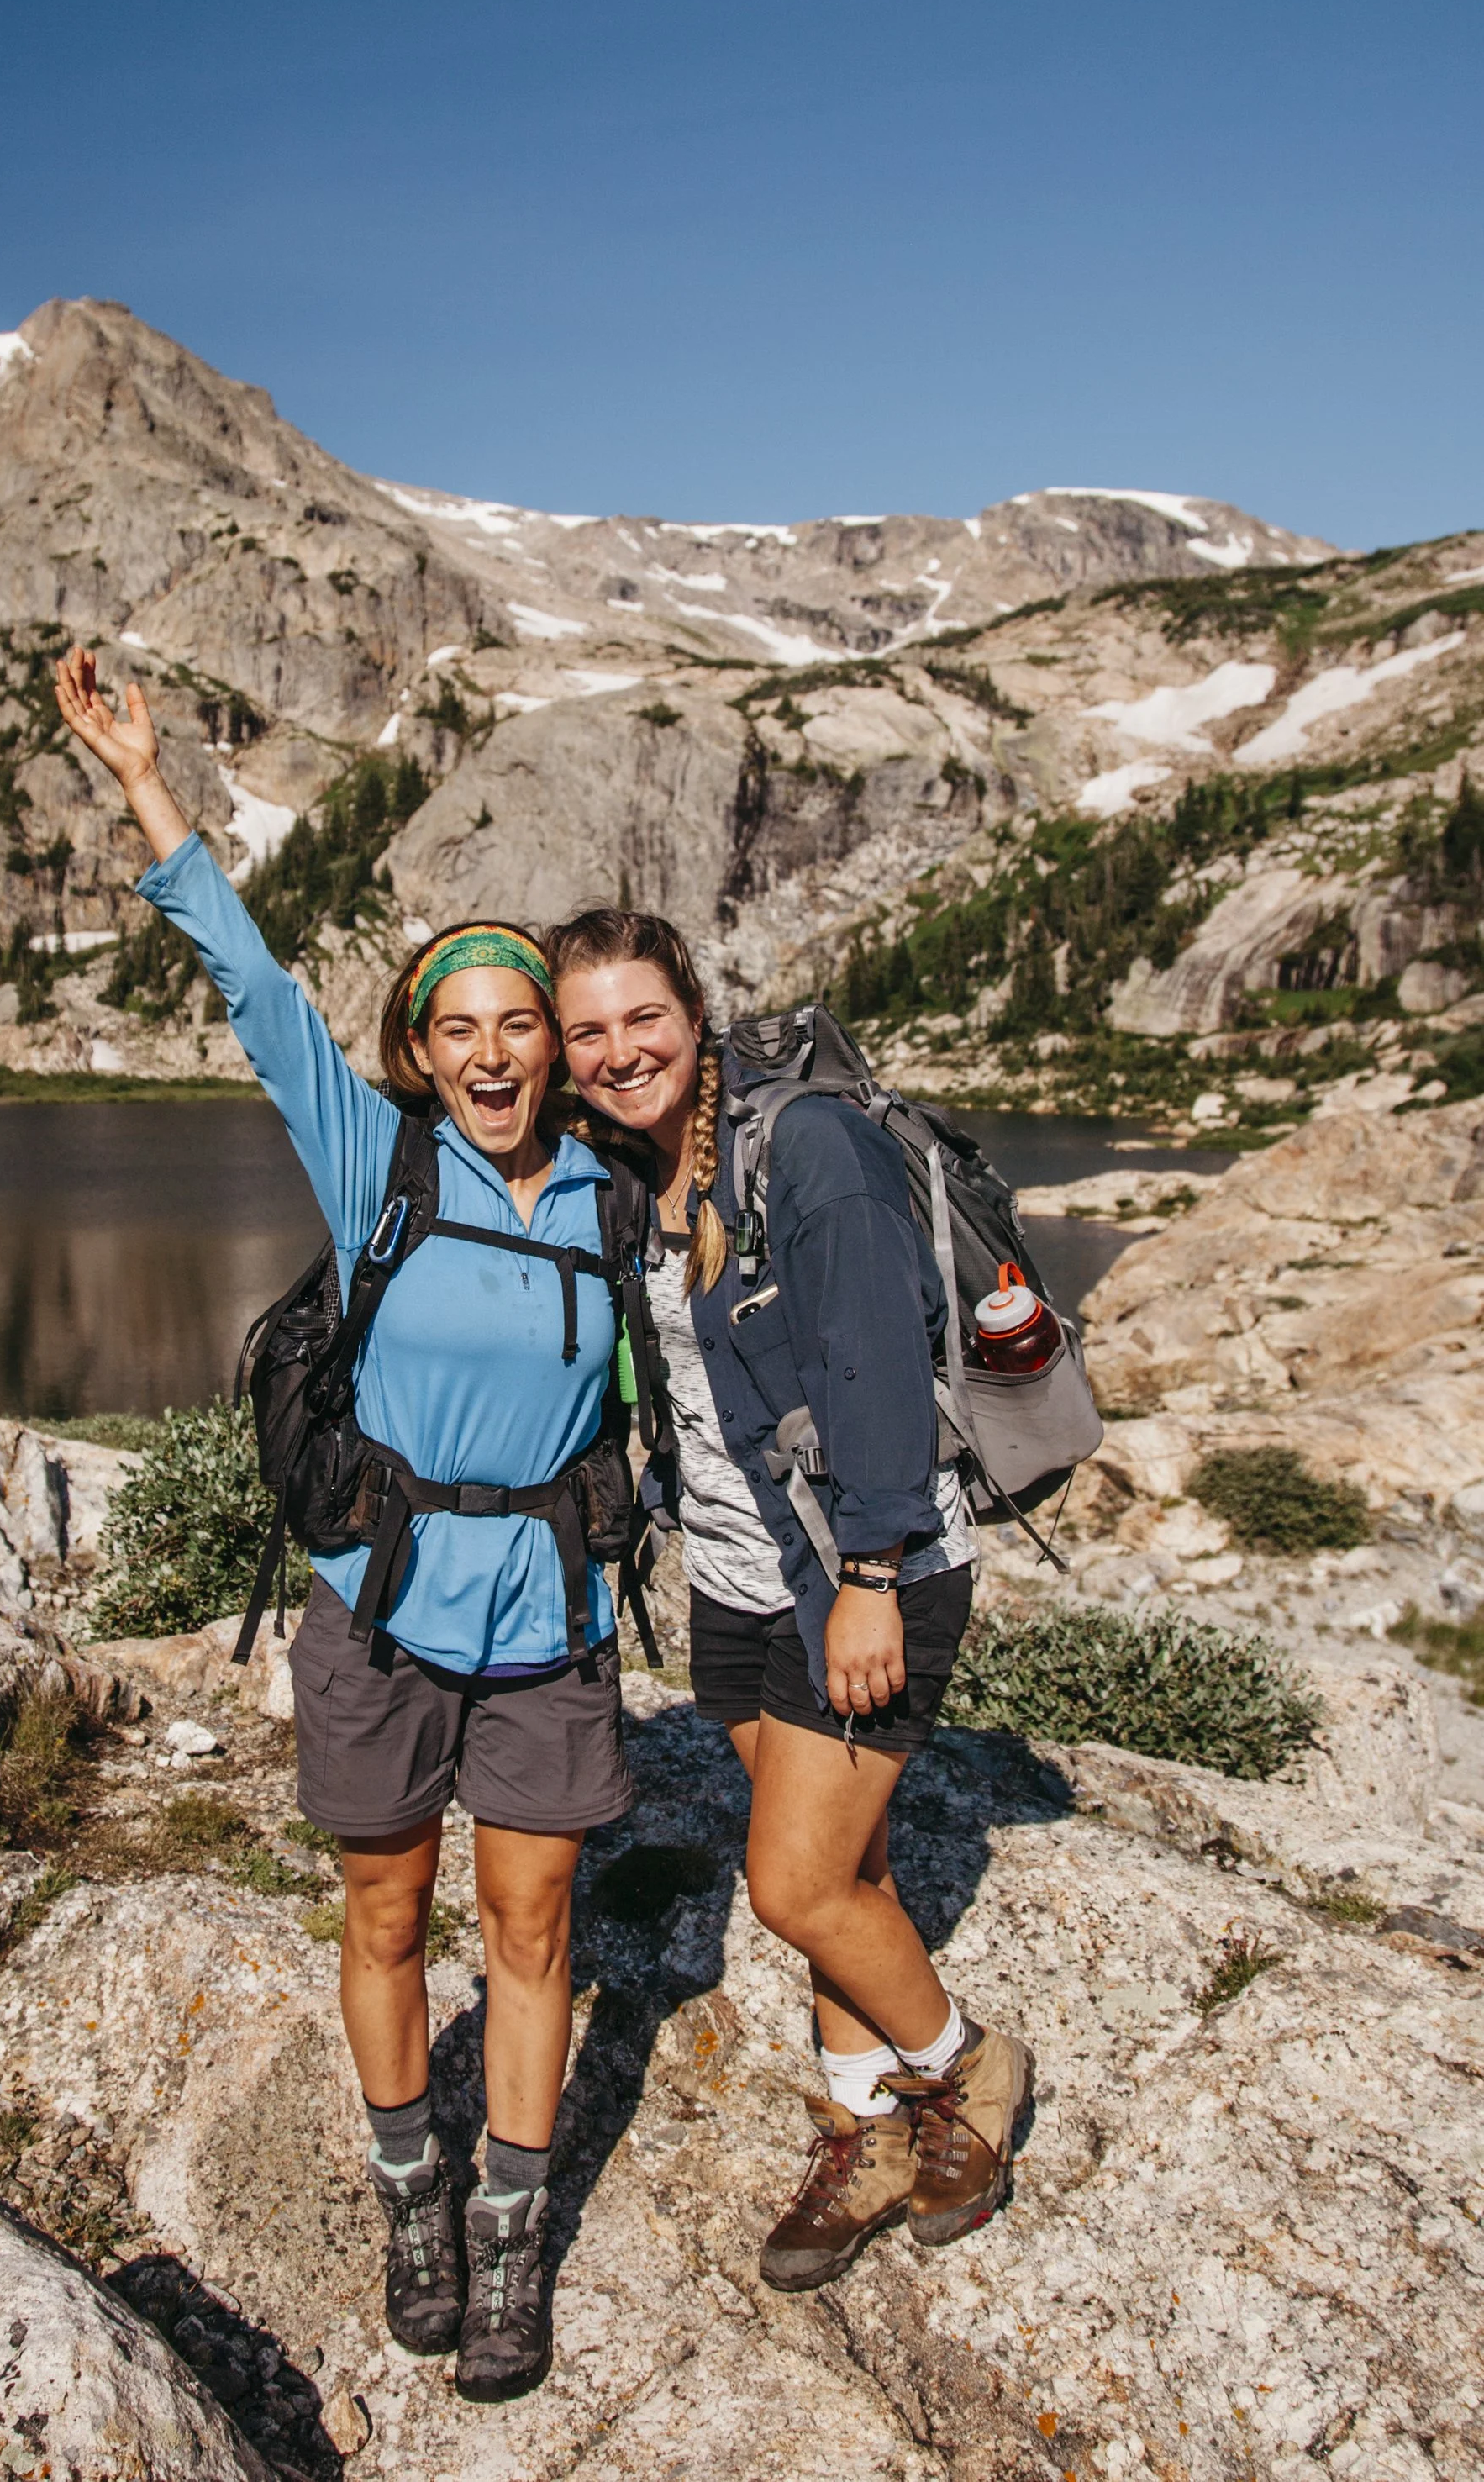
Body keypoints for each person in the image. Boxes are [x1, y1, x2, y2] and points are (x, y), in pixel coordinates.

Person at [54, 647, 634, 2401]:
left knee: (531, 1934)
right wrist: (147, 784)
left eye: (517, 1023)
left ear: (552, 1044)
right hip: (376, 1611)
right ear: (415, 1050)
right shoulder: (373, 1153)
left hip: (548, 1618)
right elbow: (244, 972)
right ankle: (409, 2198)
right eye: (454, 1028)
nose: (489, 1053)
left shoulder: (621, 1183)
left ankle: (515, 2239)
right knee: (385, 1922)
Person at [546, 905, 1030, 2291]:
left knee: (796, 1882)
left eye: (644, 1017)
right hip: (740, 1582)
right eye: (590, 1031)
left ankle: (971, 2070)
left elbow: (876, 1354)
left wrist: (874, 1575)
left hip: (858, 1577)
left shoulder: (804, 1143)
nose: (620, 1049)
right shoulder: (637, 1167)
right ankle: (861, 2121)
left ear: (695, 1010)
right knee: (851, 1868)